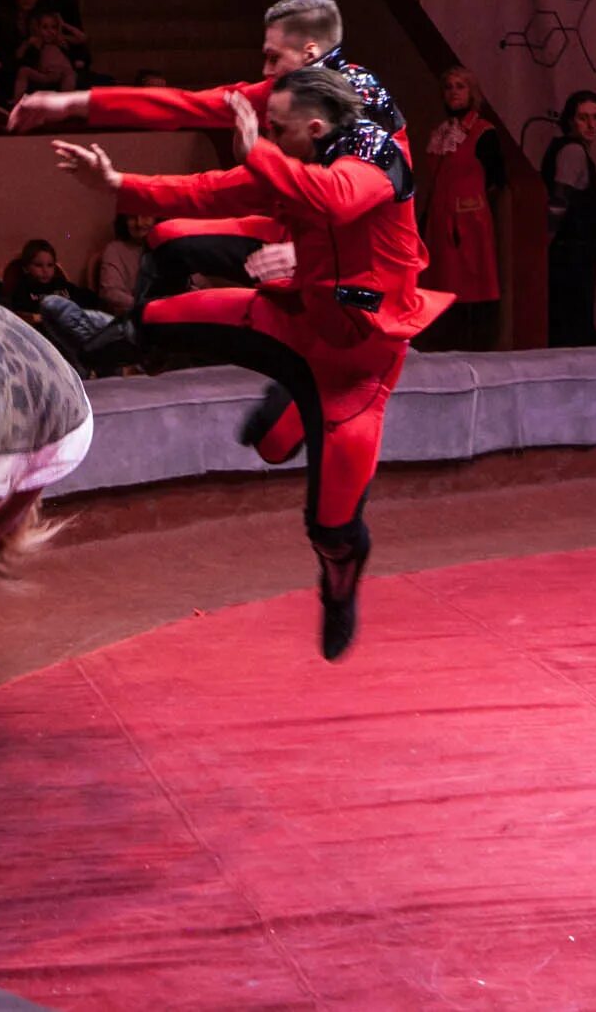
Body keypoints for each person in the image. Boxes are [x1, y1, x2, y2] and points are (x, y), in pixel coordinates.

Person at [49, 67, 451, 660]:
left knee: (330, 526)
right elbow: (212, 190)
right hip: (300, 323)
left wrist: (257, 152)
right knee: (169, 304)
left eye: (277, 127)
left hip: (355, 370)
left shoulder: (376, 159)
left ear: (313, 128)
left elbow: (337, 200)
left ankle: (340, 579)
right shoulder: (292, 153)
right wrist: (117, 182)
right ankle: (111, 337)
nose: (267, 130)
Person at [10, 0, 401, 310]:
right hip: (299, 223)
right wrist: (68, 104)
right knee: (170, 237)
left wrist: (311, 254)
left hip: (362, 269)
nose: (264, 71)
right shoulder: (285, 92)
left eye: (273, 58)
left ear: (310, 54)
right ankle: (135, 335)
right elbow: (183, 106)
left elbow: (355, 201)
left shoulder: (363, 108)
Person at [417, 66, 504, 350]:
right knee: (441, 288)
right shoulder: (441, 133)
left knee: (471, 289)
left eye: (460, 86)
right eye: (449, 87)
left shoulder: (482, 132)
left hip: (469, 225)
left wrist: (470, 209)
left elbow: (496, 179)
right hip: (440, 224)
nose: (454, 92)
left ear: (472, 93)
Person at [541, 90, 596, 348]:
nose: (591, 125)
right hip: (570, 256)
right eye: (583, 118)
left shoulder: (571, 150)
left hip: (574, 253)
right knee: (573, 326)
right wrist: (547, 241)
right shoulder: (572, 151)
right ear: (570, 120)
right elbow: (559, 201)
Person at [95, 213, 155, 315]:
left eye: (145, 216)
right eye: (132, 217)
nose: (139, 224)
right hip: (135, 317)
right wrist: (147, 307)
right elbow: (109, 292)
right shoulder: (115, 250)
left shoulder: (171, 249)